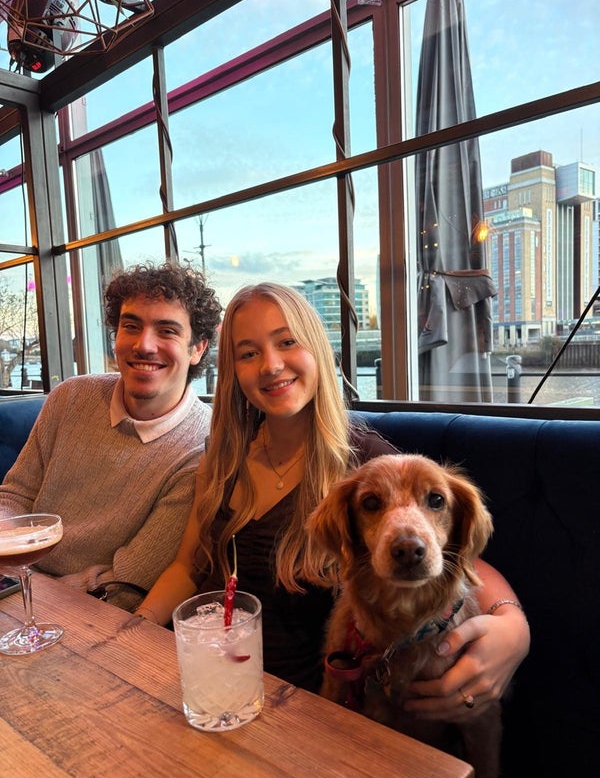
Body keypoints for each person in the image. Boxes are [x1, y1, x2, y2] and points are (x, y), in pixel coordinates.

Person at [136, 282, 529, 720]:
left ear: (318, 350)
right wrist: (133, 628)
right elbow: (187, 567)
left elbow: (447, 553)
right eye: (248, 353)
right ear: (233, 372)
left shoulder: (368, 465)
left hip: (305, 705)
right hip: (207, 678)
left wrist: (513, 626)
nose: (271, 365)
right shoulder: (224, 455)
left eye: (287, 342)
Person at [0, 261, 222, 610]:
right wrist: (11, 571)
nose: (144, 345)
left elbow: (126, 582)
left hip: (83, 609)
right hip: (14, 583)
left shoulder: (201, 446)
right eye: (131, 326)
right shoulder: (71, 397)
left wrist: (30, 596)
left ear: (198, 348)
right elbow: (15, 496)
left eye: (167, 331)